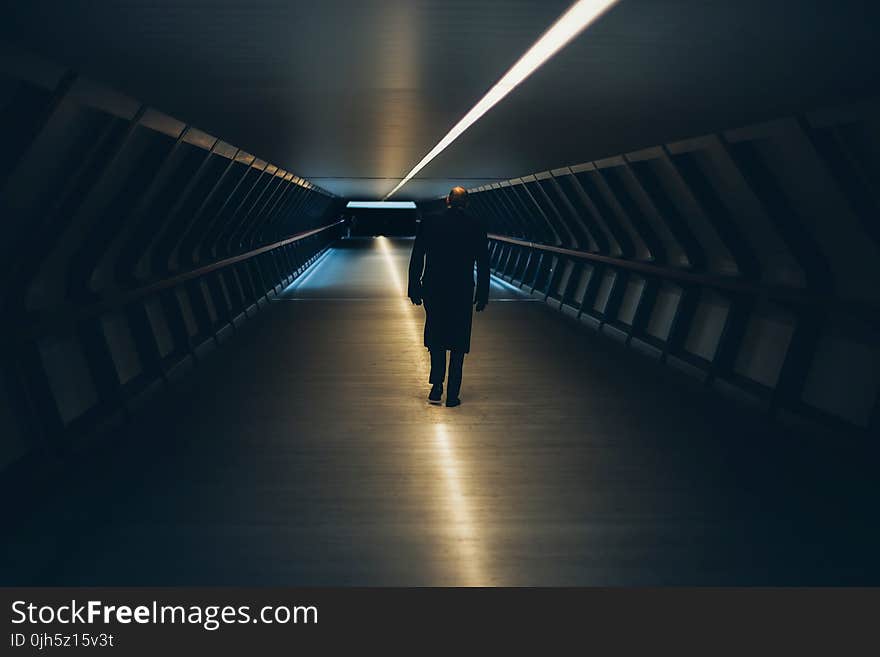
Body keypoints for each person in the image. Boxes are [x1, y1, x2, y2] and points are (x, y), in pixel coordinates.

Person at [408, 186, 489, 407]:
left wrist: (413, 285)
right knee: (459, 339)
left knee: (436, 335)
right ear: (468, 203)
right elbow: (483, 261)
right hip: (462, 289)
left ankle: (436, 387)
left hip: (434, 287)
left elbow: (418, 255)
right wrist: (483, 292)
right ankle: (453, 393)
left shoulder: (430, 221)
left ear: (447, 200)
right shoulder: (476, 225)